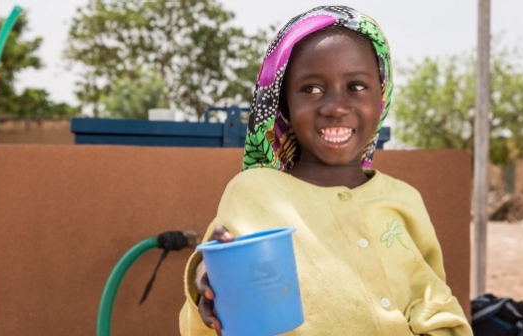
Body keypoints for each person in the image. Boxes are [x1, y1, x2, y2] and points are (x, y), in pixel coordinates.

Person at [179, 5, 472, 335]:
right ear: (284, 103)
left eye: (356, 86)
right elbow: (214, 312)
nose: (335, 106)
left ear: (382, 95)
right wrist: (207, 285)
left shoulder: (405, 201)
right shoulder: (253, 192)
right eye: (311, 89)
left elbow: (435, 307)